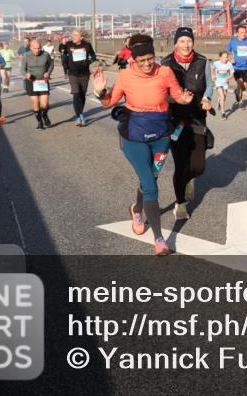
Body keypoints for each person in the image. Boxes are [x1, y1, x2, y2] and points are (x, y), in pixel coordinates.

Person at [93, 34, 194, 256]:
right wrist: (100, 91)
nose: (148, 64)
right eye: (142, 61)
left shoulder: (165, 72)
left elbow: (176, 95)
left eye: (150, 59)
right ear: (134, 61)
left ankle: (137, 209)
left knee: (151, 179)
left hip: (161, 136)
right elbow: (108, 102)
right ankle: (159, 239)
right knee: (151, 186)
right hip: (134, 138)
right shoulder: (125, 76)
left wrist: (184, 99)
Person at [159, 27, 215, 220]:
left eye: (188, 41)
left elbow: (209, 85)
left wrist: (207, 98)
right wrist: (173, 99)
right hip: (175, 120)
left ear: (193, 42)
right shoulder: (165, 64)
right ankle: (180, 203)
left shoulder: (202, 61)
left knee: (198, 167)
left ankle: (189, 180)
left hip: (197, 118)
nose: (186, 45)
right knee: (181, 164)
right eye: (181, 41)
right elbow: (160, 90)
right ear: (175, 44)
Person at [61, 29, 98, 126]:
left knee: (82, 95)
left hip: (84, 74)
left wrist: (89, 61)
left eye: (76, 35)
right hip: (73, 74)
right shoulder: (68, 44)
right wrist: (66, 65)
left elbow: (94, 56)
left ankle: (80, 113)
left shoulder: (87, 45)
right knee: (76, 94)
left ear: (81, 37)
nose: (73, 36)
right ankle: (79, 117)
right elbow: (63, 54)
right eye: (72, 35)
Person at [21, 38, 54, 129]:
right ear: (30, 47)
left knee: (44, 104)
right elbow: (22, 69)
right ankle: (39, 123)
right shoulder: (26, 56)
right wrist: (26, 74)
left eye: (39, 48)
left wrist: (48, 72)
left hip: (43, 81)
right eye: (35, 48)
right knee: (35, 103)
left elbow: (51, 64)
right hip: (31, 82)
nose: (37, 50)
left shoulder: (45, 55)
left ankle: (45, 115)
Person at [225, 24, 247, 114]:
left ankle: (237, 91)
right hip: (236, 67)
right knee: (240, 83)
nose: (243, 34)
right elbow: (227, 51)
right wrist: (230, 59)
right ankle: (240, 102)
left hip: (246, 67)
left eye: (244, 32)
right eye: (241, 32)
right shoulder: (233, 42)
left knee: (244, 87)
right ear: (237, 33)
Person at [211, 50, 235, 119]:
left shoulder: (229, 65)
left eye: (226, 57)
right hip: (218, 81)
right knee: (222, 96)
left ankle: (219, 102)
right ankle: (223, 113)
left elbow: (232, 74)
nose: (225, 59)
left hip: (225, 82)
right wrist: (213, 75)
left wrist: (228, 78)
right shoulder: (216, 63)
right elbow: (212, 68)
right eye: (223, 57)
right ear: (220, 57)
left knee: (224, 97)